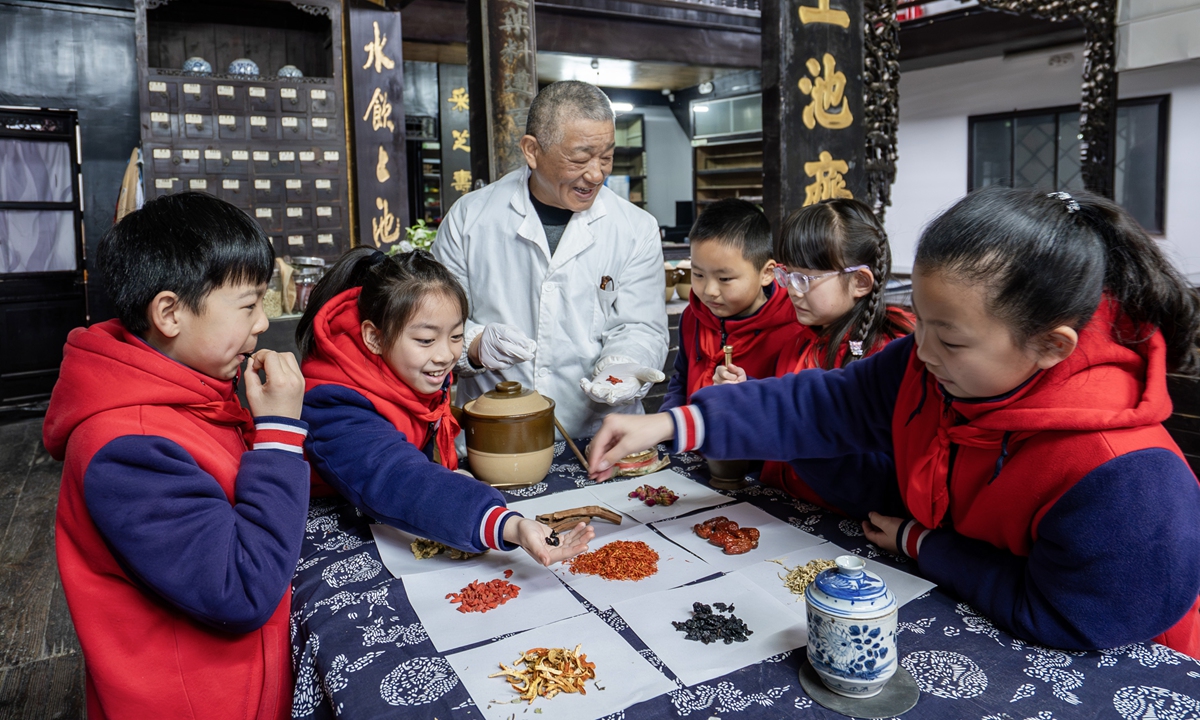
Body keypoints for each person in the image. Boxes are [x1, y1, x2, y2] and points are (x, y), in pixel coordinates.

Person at [588, 187, 1200, 658]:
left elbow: (1070, 616)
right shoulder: (929, 367)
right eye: (923, 323)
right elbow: (825, 405)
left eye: (951, 340)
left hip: (1125, 665)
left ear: (1050, 346)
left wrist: (923, 544)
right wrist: (676, 425)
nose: (923, 351)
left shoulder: (1127, 478)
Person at [43, 192, 309, 719]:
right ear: (169, 312)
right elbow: (240, 590)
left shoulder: (192, 388)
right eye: (249, 304)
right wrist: (278, 432)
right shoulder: (127, 449)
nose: (261, 324)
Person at [296, 247, 593, 565]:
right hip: (325, 521)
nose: (444, 356)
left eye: (455, 336)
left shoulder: (399, 366)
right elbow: (395, 477)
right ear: (373, 337)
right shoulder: (333, 399)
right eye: (425, 340)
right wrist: (509, 525)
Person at [433, 80, 668, 439]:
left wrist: (621, 368)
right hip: (493, 434)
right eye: (580, 157)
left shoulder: (635, 228)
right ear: (532, 150)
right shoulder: (470, 218)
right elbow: (431, 324)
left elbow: (640, 326)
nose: (596, 174)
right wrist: (476, 345)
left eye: (606, 156)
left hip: (597, 433)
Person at [730, 199, 912, 514]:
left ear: (860, 281)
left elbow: (881, 474)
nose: (793, 291)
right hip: (783, 507)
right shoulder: (801, 341)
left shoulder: (889, 353)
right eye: (789, 276)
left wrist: (785, 425)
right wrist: (751, 393)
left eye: (806, 279)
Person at [658, 198, 801, 412]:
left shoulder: (793, 328)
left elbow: (788, 408)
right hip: (692, 439)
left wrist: (744, 389)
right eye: (698, 274)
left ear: (767, 273)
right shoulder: (693, 316)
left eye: (724, 279)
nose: (709, 291)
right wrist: (667, 425)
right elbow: (681, 380)